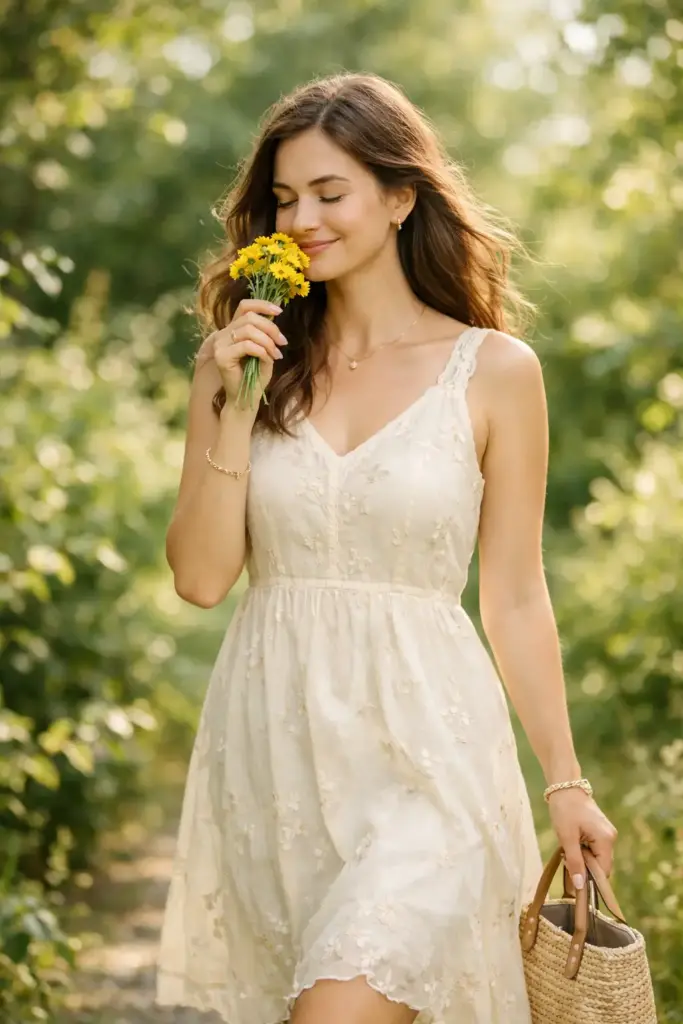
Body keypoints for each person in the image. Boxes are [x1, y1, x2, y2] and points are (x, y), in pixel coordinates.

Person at [155, 72, 618, 1024]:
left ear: (401, 196)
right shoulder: (243, 364)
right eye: (284, 200)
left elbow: (516, 595)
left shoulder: (493, 371)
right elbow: (201, 579)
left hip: (430, 754)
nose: (303, 219)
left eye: (331, 193)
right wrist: (228, 398)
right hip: (280, 751)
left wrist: (565, 783)